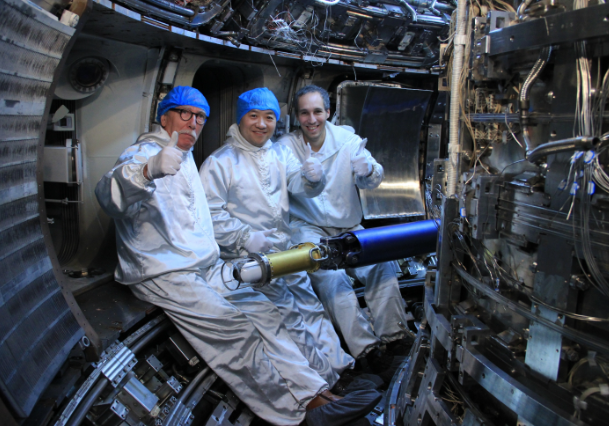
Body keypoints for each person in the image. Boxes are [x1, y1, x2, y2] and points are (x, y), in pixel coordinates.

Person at [94, 86, 378, 425]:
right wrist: (147, 171)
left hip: (205, 264)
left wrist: (312, 179)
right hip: (164, 270)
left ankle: (318, 391)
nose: (193, 123)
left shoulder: (186, 156)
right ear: (163, 117)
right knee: (235, 330)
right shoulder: (148, 154)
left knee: (266, 311)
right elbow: (108, 194)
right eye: (185, 114)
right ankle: (295, 413)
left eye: (200, 117)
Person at [199, 87, 354, 384]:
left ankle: (342, 367)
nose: (261, 124)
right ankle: (324, 382)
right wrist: (245, 237)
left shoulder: (279, 153)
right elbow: (208, 215)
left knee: (310, 306)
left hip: (285, 250)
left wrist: (313, 179)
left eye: (269, 117)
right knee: (289, 317)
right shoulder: (220, 162)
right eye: (253, 116)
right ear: (240, 119)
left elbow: (298, 184)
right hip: (249, 261)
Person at [278, 84, 408, 360]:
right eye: (304, 113)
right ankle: (366, 350)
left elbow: (372, 178)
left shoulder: (348, 141)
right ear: (297, 116)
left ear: (328, 112)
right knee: (332, 277)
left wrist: (369, 170)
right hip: (308, 227)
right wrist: (306, 178)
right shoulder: (286, 147)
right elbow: (284, 183)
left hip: (348, 226)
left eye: (317, 112)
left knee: (381, 266)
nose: (311, 119)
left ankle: (395, 337)